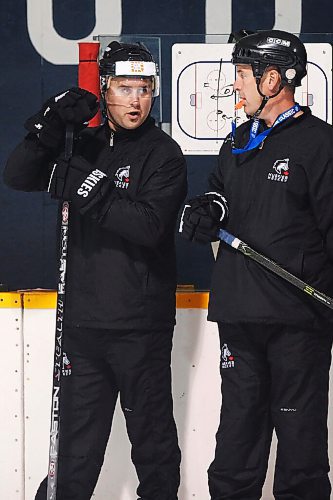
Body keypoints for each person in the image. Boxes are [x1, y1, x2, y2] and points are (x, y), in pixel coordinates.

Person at [4, 40, 187, 500]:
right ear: (105, 89)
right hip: (82, 328)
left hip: (139, 328)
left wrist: (90, 188)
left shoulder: (163, 153)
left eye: (145, 89)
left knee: (153, 444)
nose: (136, 100)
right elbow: (17, 176)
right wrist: (49, 124)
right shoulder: (79, 142)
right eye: (125, 88)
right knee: (73, 452)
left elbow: (149, 226)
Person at [180, 29, 333, 500]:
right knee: (237, 441)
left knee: (301, 443)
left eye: (243, 75)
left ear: (273, 80)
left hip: (298, 321)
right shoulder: (237, 142)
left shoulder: (319, 142)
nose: (235, 85)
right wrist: (209, 209)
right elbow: (221, 194)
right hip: (240, 312)